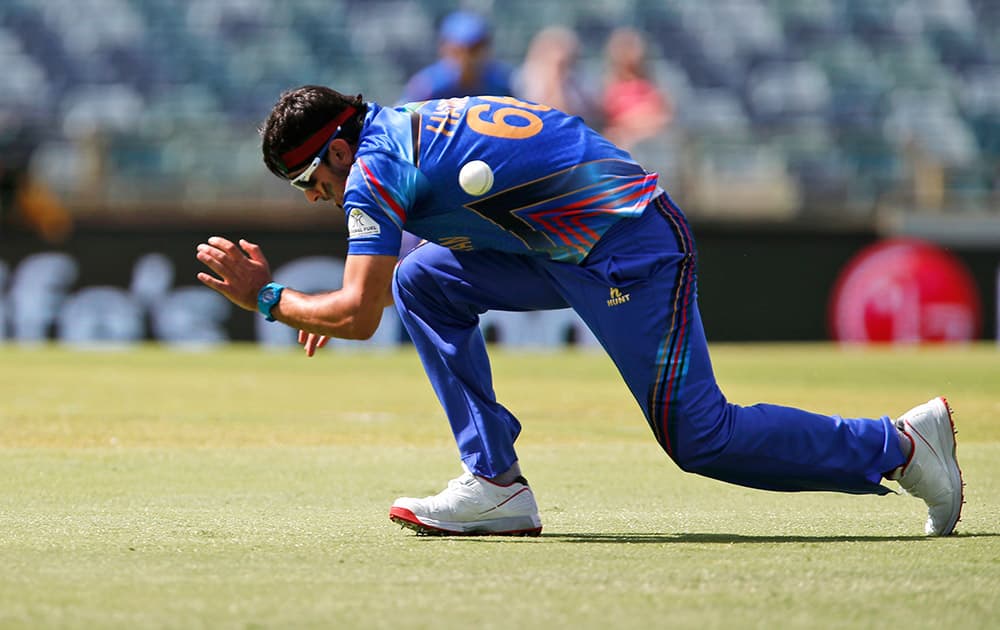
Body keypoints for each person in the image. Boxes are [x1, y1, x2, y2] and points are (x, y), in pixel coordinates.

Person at [195, 85, 963, 537]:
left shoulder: (371, 167)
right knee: (425, 280)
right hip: (571, 246)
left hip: (629, 250)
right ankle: (494, 482)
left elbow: (358, 315)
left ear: (333, 151)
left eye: (307, 183)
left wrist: (264, 297)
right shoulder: (400, 126)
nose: (316, 199)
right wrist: (321, 306)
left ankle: (898, 446)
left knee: (701, 438)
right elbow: (377, 290)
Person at [400, 10, 512, 103]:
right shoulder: (427, 86)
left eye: (474, 49)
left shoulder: (500, 83)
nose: (467, 57)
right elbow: (402, 122)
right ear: (444, 48)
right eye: (458, 50)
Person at [600, 27, 673, 151]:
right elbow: (611, 118)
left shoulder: (652, 83)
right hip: (628, 143)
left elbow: (666, 114)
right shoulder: (610, 85)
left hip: (656, 139)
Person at [513, 26, 601, 125]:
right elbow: (549, 114)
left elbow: (588, 114)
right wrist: (555, 77)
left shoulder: (581, 78)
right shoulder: (528, 76)